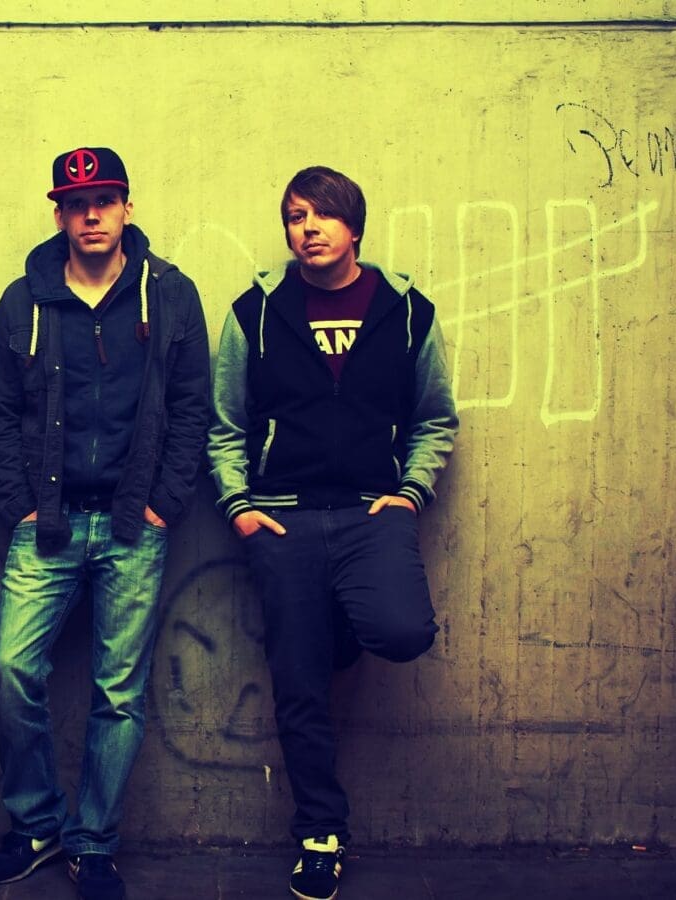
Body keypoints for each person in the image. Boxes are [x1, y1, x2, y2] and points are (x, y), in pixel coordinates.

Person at [206, 165, 457, 900]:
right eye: (295, 216)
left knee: (402, 631)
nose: (308, 228)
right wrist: (240, 507)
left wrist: (409, 494)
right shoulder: (256, 312)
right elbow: (226, 423)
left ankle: (340, 627)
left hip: (371, 513)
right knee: (299, 683)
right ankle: (320, 832)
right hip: (281, 519)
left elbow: (435, 417)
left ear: (355, 227)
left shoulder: (406, 312)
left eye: (323, 214)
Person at [0, 147, 210, 900]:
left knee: (119, 691)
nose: (91, 216)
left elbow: (192, 408)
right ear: (59, 215)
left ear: (127, 208)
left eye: (104, 201)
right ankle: (37, 823)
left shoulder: (169, 295)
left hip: (132, 525)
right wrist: (19, 503)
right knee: (12, 665)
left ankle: (94, 840)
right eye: (76, 204)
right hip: (45, 522)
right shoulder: (25, 300)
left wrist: (162, 502)